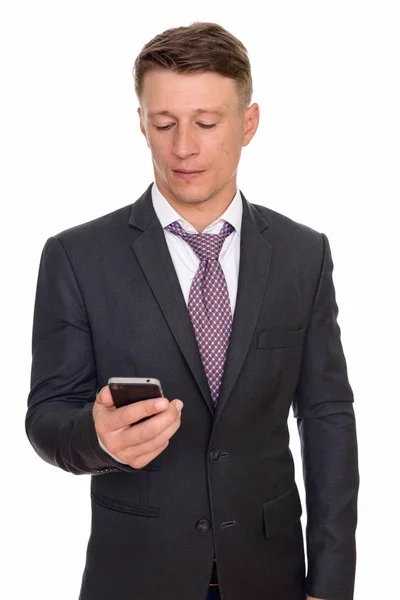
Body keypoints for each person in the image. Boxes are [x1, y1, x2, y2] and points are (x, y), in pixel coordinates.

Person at [26, 21, 359, 600]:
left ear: (248, 124)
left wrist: (330, 584)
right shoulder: (76, 257)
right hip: (134, 577)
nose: (184, 147)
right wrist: (97, 436)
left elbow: (328, 418)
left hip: (271, 576)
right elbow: (47, 414)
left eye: (206, 123)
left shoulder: (305, 255)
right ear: (141, 125)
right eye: (164, 124)